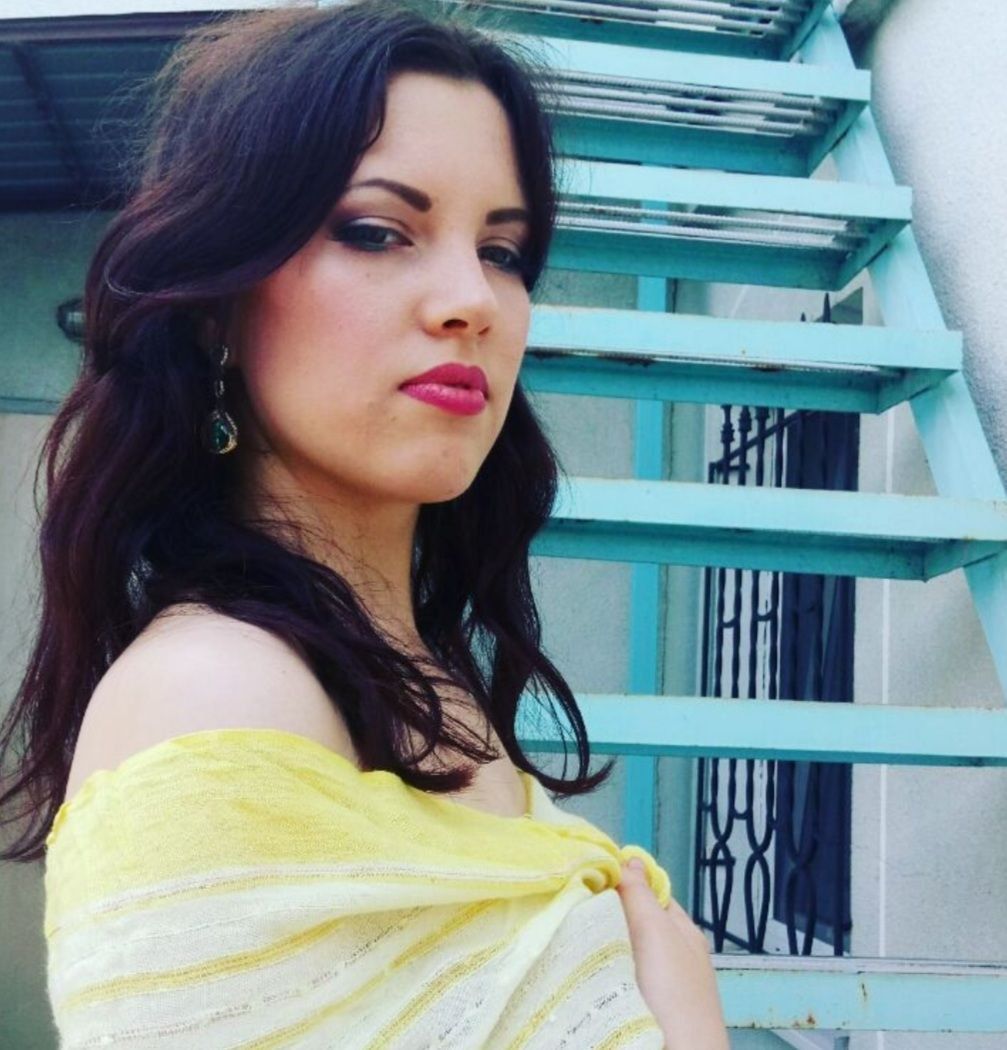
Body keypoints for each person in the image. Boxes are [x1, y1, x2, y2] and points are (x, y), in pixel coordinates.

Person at [0, 1, 728, 1046]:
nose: (472, 300)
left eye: (503, 249)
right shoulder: (214, 693)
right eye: (378, 232)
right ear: (215, 301)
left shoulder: (419, 672)